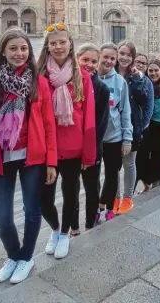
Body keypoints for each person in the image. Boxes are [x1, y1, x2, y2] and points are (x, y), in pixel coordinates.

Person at [0, 28, 57, 284]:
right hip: (0, 158)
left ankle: (26, 258)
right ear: (3, 51)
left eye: (23, 49)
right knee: (2, 217)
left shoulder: (39, 83)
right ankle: (14, 255)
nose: (19, 53)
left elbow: (49, 124)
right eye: (13, 48)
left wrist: (52, 161)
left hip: (33, 156)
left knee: (32, 209)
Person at [37, 24, 96, 260]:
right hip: (46, 150)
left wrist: (89, 154)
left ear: (70, 44)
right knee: (44, 199)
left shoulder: (81, 77)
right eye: (53, 43)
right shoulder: (40, 75)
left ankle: (64, 234)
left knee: (71, 195)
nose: (58, 46)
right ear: (47, 47)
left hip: (74, 148)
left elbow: (89, 116)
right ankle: (54, 228)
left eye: (62, 42)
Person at [114, 40, 153, 214]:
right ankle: (114, 197)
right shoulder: (109, 72)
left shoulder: (139, 77)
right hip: (112, 127)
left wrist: (137, 79)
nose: (124, 57)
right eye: (121, 53)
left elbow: (143, 100)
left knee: (129, 163)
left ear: (133, 57)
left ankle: (128, 198)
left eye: (129, 55)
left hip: (131, 126)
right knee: (113, 165)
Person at [75, 43, 110, 232]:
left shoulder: (102, 89)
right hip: (70, 148)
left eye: (93, 61)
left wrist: (89, 153)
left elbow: (100, 126)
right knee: (71, 190)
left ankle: (90, 223)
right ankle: (73, 228)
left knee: (91, 188)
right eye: (85, 60)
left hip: (92, 148)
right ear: (77, 59)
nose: (89, 64)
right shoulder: (67, 83)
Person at [97, 42, 133, 222]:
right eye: (106, 57)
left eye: (113, 58)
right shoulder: (90, 78)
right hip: (94, 138)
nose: (109, 61)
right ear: (99, 56)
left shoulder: (119, 82)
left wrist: (127, 139)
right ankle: (95, 207)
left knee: (112, 174)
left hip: (114, 136)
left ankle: (108, 206)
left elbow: (125, 111)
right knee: (93, 177)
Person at [136, 59, 160, 190]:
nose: (153, 73)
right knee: (143, 155)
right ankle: (146, 182)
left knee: (159, 156)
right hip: (147, 124)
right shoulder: (144, 84)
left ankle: (157, 183)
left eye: (156, 70)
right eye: (151, 70)